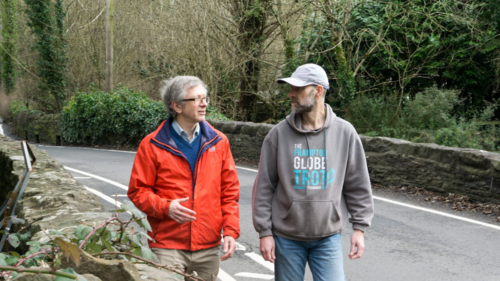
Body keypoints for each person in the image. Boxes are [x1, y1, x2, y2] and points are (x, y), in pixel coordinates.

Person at [252, 64, 374, 280]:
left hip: (328, 238)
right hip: (286, 238)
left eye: (298, 89)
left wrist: (359, 228)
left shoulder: (345, 132)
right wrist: (265, 232)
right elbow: (264, 187)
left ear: (318, 91)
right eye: (290, 88)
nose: (291, 94)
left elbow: (357, 183)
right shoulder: (277, 135)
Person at [128, 76, 240, 280]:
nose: (204, 104)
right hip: (167, 245)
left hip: (208, 247)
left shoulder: (220, 142)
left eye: (205, 98)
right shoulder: (151, 144)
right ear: (177, 106)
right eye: (196, 99)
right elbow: (138, 191)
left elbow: (229, 193)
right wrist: (166, 207)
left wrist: (231, 231)